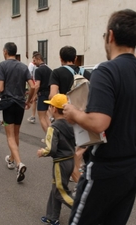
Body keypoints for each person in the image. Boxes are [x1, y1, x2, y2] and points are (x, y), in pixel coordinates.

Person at [63, 9, 136, 225]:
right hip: (135, 167)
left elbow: (99, 122)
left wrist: (74, 113)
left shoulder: (107, 70)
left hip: (108, 167)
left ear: (111, 36)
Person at [49, 46, 92, 183]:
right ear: (75, 58)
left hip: (66, 115)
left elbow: (52, 95)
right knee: (82, 145)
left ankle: (76, 177)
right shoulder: (86, 73)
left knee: (69, 149)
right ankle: (80, 172)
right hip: (84, 115)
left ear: (60, 58)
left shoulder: (57, 73)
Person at [0, 42, 34, 182]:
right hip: (20, 104)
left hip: (8, 103)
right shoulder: (23, 66)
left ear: (5, 51)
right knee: (16, 133)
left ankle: (19, 163)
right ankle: (11, 159)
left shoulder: (2, 65)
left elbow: (0, 88)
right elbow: (33, 86)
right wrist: (28, 100)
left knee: (10, 136)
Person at [37, 94, 75, 225]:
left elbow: (51, 149)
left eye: (50, 105)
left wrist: (42, 152)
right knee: (56, 188)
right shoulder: (71, 124)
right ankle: (52, 217)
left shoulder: (53, 127)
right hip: (70, 160)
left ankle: (83, 212)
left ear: (53, 109)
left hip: (60, 161)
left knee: (61, 191)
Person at [31, 52, 52, 134]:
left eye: (34, 60)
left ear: (39, 59)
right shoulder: (50, 70)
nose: (33, 62)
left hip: (42, 94)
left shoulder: (38, 70)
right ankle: (52, 135)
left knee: (41, 117)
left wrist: (33, 95)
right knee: (46, 116)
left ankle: (48, 138)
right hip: (49, 94)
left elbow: (37, 85)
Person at [27, 51, 38, 124]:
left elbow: (28, 74)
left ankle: (33, 116)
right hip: (40, 83)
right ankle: (50, 116)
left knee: (33, 100)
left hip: (33, 83)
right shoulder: (43, 65)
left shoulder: (31, 64)